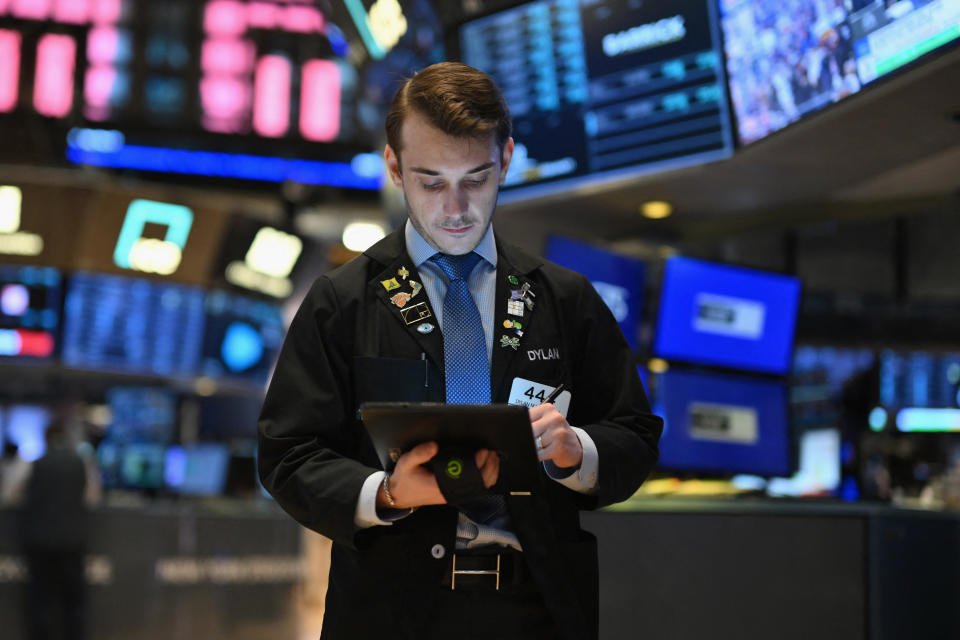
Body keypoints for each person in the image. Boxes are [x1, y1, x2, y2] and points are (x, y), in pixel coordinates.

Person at [258, 61, 662, 640]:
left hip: (538, 608)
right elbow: (288, 454)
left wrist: (578, 452)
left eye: (475, 179)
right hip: (389, 611)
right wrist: (389, 492)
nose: (455, 207)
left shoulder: (563, 299)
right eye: (431, 181)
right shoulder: (342, 302)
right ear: (394, 167)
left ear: (506, 160)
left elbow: (635, 432)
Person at [18, 419, 100, 640]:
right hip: (72, 541)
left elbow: (14, 494)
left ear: (45, 438)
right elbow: (92, 498)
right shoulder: (80, 463)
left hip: (40, 541)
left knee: (41, 599)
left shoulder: (35, 463)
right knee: (74, 600)